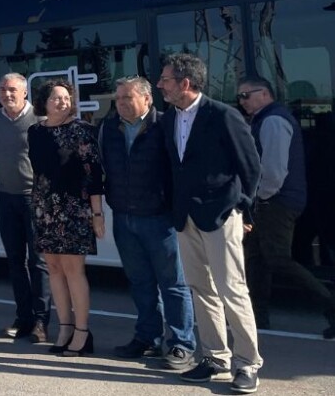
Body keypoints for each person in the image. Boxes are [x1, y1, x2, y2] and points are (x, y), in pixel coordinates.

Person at [158, 53, 262, 393]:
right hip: (186, 218)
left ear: (185, 83)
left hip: (220, 215)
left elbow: (250, 167)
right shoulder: (168, 120)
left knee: (232, 290)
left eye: (166, 80)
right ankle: (216, 358)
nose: (161, 85)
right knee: (201, 290)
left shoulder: (223, 116)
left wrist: (242, 209)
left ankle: (247, 364)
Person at [99, 76, 195, 368]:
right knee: (140, 282)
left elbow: (180, 170)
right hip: (124, 217)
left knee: (173, 284)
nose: (122, 104)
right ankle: (147, 338)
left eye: (128, 97)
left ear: (147, 99)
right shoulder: (109, 129)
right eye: (118, 98)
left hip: (159, 219)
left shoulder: (166, 125)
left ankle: (181, 344)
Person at [237, 76, 335, 338]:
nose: (242, 101)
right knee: (256, 259)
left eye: (246, 95)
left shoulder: (272, 121)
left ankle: (330, 306)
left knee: (277, 259)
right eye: (240, 96)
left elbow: (273, 171)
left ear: (265, 94)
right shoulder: (265, 119)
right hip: (273, 201)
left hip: (276, 201)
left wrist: (260, 199)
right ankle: (258, 317)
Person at [27, 79, 105, 357]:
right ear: (44, 103)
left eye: (66, 97)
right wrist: (39, 206)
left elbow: (93, 175)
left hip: (75, 209)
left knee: (74, 271)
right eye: (56, 98)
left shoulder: (83, 131)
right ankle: (65, 328)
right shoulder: (35, 132)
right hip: (45, 208)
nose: (62, 102)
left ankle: (83, 333)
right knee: (54, 270)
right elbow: (39, 173)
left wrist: (97, 214)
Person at [0, 73, 51, 343]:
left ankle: (41, 321)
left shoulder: (39, 119)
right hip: (5, 197)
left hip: (33, 197)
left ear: (25, 92)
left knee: (39, 262)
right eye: (2, 89)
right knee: (15, 261)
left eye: (12, 89)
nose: (6, 94)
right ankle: (22, 317)